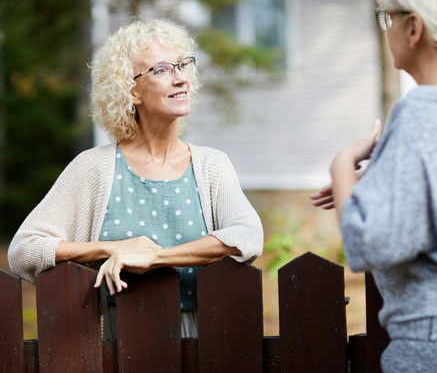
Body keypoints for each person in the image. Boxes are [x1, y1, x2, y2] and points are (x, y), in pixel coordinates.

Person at [8, 17, 263, 339]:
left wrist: (155, 257)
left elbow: (248, 235)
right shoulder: (93, 167)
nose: (180, 78)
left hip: (203, 333)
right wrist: (111, 248)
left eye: (182, 65)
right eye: (161, 70)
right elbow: (24, 250)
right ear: (131, 91)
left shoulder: (212, 164)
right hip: (116, 334)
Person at [312, 0, 437, 371]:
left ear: (415, 28)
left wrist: (343, 164)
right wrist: (381, 174)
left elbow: (368, 244)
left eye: (386, 18)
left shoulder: (419, 112)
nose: (385, 31)